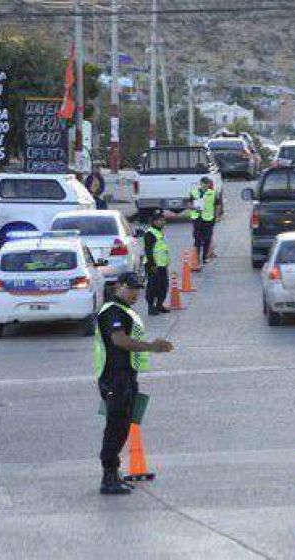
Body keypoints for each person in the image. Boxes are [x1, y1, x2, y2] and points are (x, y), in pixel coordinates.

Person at [95, 273, 173, 495]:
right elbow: (119, 340)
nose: (136, 293)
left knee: (122, 426)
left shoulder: (124, 310)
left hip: (125, 376)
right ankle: (108, 476)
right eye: (131, 288)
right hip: (114, 377)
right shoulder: (112, 311)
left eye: (139, 288)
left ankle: (114, 473)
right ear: (118, 286)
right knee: (115, 427)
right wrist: (151, 347)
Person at [143, 210, 170, 316]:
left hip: (162, 265)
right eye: (160, 220)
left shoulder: (159, 232)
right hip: (153, 266)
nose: (162, 222)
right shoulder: (150, 233)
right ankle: (151, 307)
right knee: (153, 288)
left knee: (163, 287)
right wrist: (152, 264)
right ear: (154, 222)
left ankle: (159, 305)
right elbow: (148, 251)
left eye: (163, 220)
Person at [189, 177, 217, 268]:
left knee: (207, 238)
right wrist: (193, 207)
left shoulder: (212, 193)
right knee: (197, 238)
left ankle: (205, 257)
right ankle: (196, 257)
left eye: (207, 183)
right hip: (197, 217)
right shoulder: (194, 192)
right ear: (200, 183)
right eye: (203, 183)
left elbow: (217, 204)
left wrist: (217, 216)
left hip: (208, 218)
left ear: (209, 184)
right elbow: (189, 203)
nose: (205, 185)